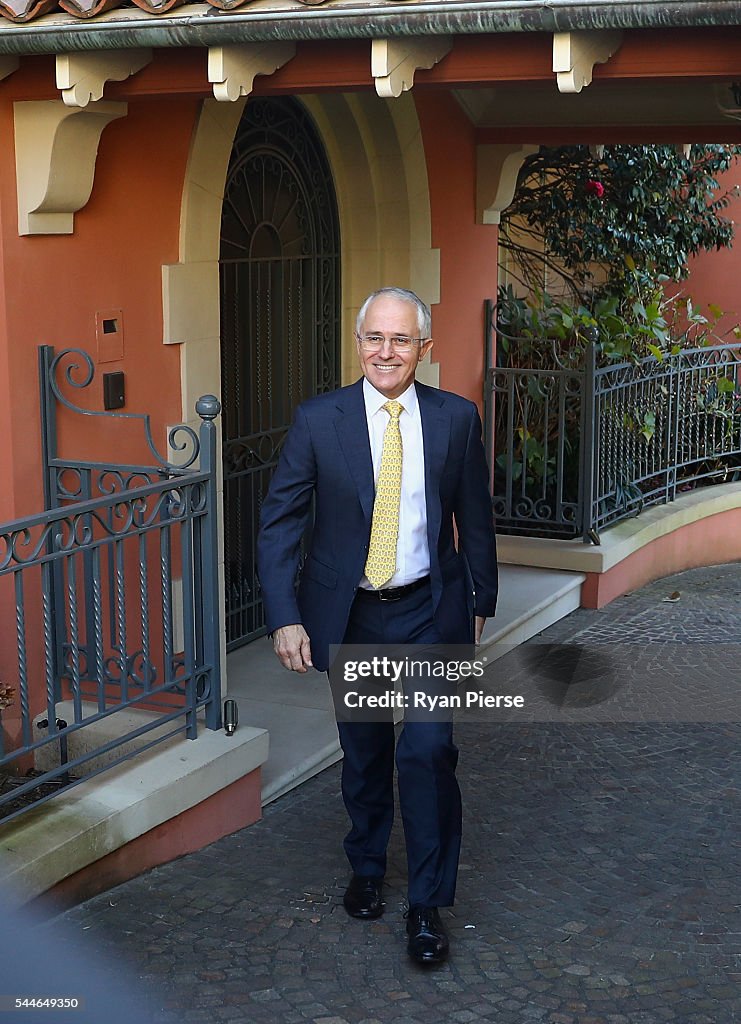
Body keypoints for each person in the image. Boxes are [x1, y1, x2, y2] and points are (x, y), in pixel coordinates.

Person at [257, 287, 498, 964]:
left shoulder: (455, 419)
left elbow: (473, 518)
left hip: (429, 611)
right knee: (363, 754)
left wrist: (481, 599)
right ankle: (366, 864)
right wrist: (285, 617)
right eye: (373, 338)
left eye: (399, 340)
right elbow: (279, 523)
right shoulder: (318, 420)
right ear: (357, 341)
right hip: (353, 616)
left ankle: (425, 904)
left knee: (426, 754)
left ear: (424, 348)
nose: (384, 353)